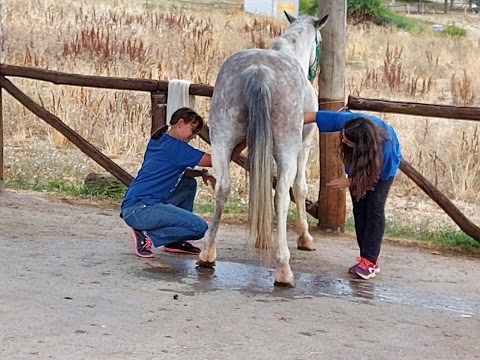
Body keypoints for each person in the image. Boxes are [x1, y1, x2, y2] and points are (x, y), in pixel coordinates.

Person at [121, 107, 244, 258]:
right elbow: (217, 161)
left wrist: (202, 173)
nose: (193, 136)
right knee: (198, 227)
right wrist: (244, 142)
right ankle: (146, 236)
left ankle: (174, 241)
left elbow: (173, 168)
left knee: (188, 184)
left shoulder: (159, 140)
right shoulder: (177, 148)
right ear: (180, 123)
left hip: (134, 205)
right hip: (142, 208)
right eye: (193, 130)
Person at [304, 109, 402, 280]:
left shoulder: (385, 151)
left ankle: (370, 262)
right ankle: (365, 258)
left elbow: (374, 173)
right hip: (363, 162)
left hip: (383, 168)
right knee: (359, 207)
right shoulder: (346, 121)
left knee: (374, 208)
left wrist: (348, 181)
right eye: (342, 136)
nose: (342, 140)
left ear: (360, 147)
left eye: (346, 141)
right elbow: (312, 116)